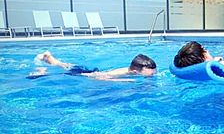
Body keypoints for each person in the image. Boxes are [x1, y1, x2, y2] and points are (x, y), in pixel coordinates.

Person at [29, 51, 157, 81]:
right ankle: (42, 71)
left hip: (93, 70)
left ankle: (50, 58)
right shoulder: (121, 74)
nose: (153, 73)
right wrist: (123, 81)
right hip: (88, 74)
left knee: (67, 66)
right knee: (64, 72)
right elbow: (100, 78)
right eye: (150, 71)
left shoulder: (133, 71)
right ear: (136, 70)